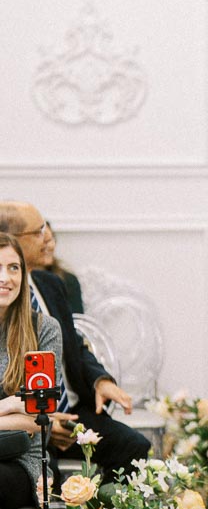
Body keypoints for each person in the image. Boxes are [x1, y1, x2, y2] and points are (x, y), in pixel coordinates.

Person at [0, 202, 150, 479]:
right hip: (26, 421)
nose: (49, 239)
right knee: (45, 473)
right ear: (13, 240)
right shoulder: (5, 299)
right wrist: (43, 422)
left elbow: (75, 344)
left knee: (134, 446)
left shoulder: (51, 284)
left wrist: (100, 380)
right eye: (39, 232)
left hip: (73, 412)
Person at [0, 232, 62, 507]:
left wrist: (24, 409)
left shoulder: (43, 329)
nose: (6, 278)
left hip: (22, 462)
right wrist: (11, 404)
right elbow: (23, 412)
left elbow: (38, 416)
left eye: (14, 268)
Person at [40, 222, 84, 314]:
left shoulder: (68, 281)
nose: (50, 246)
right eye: (44, 241)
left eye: (51, 239)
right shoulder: (13, 282)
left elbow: (75, 323)